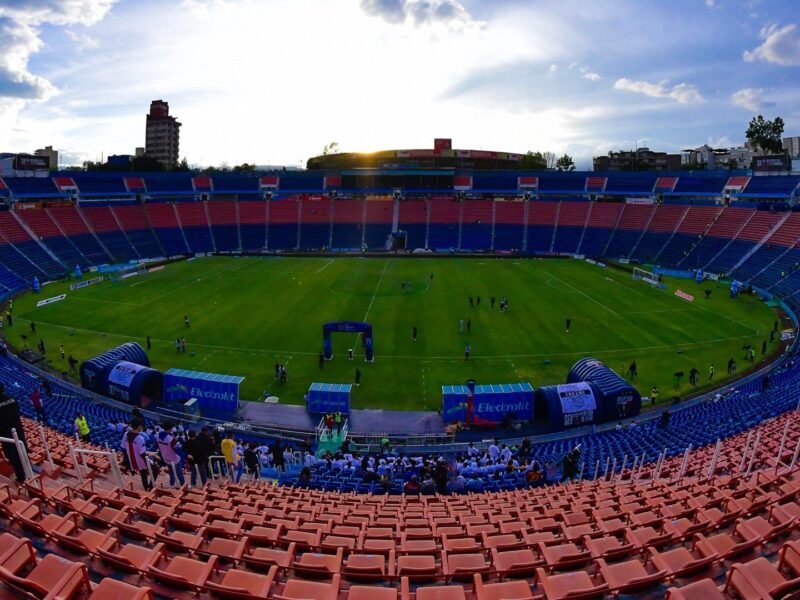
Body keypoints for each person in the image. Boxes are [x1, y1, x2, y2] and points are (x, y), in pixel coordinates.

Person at [0, 383, 27, 482]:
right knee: (23, 453)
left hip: (6, 435)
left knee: (14, 457)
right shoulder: (12, 399)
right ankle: (29, 473)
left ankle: (21, 478)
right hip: (18, 431)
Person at [125, 419, 152, 490]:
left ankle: (147, 488)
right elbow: (142, 453)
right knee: (155, 469)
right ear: (139, 426)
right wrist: (150, 461)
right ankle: (149, 488)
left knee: (144, 475)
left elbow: (123, 448)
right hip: (140, 462)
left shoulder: (126, 435)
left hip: (132, 461)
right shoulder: (140, 438)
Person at [157, 423, 184, 487]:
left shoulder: (158, 435)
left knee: (171, 472)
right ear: (170, 428)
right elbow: (176, 450)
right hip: (174, 459)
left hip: (165, 458)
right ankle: (183, 485)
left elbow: (158, 446)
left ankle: (172, 484)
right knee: (179, 473)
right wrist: (185, 455)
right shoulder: (172, 438)